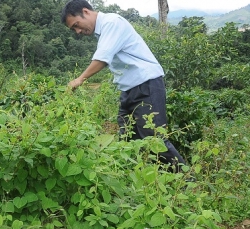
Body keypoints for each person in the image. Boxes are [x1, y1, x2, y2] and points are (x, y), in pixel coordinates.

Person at [61, 0, 186, 170]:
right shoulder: (103, 31)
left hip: (146, 84)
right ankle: (139, 184)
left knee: (155, 139)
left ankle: (188, 182)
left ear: (86, 11)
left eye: (77, 25)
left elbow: (102, 58)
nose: (78, 31)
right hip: (129, 91)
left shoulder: (111, 23)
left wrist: (79, 79)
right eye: (74, 29)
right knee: (127, 140)